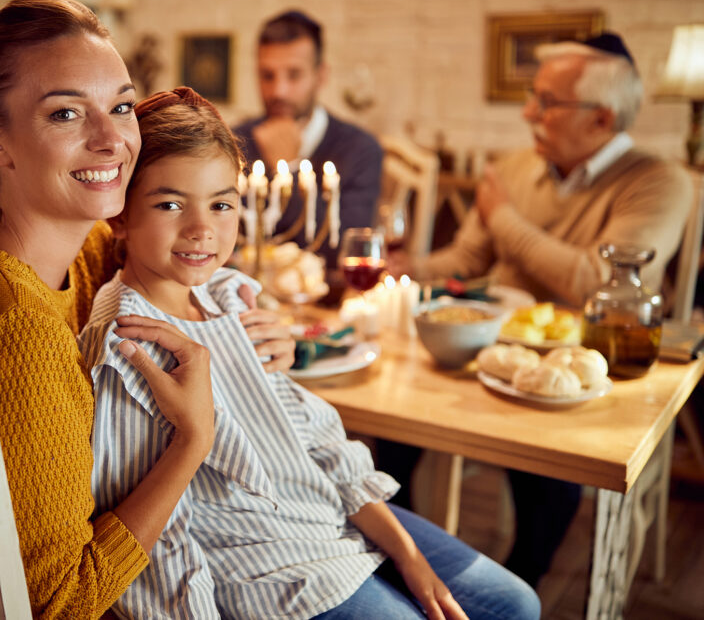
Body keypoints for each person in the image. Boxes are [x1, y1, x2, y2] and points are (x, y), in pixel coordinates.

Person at [79, 86, 540, 619]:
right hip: (272, 569)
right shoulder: (130, 346)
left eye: (222, 204)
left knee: (514, 603)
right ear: (119, 216)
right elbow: (154, 542)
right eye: (170, 204)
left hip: (322, 514)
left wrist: (407, 554)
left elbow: (314, 442)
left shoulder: (229, 296)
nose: (202, 230)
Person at [0, 0, 293, 618]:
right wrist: (193, 440)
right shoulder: (20, 330)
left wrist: (251, 322)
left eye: (122, 107)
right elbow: (60, 603)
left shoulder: (60, 251)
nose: (112, 141)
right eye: (66, 114)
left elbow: (177, 255)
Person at [386, 32, 693, 587]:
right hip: (487, 355)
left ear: (601, 118)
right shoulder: (515, 167)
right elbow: (467, 258)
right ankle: (404, 564)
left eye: (547, 102)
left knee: (547, 474)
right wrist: (407, 267)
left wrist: (505, 219)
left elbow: (598, 283)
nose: (529, 112)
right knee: (392, 423)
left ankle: (516, 586)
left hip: (575, 376)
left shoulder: (658, 182)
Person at [234, 10, 383, 267]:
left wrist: (288, 168)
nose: (278, 91)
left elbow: (346, 252)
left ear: (321, 75)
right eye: (267, 75)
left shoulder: (360, 149)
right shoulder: (236, 141)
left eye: (294, 75)